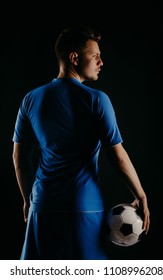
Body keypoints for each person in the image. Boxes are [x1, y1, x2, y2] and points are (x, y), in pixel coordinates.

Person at [12, 25, 150, 260]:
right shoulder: (97, 100)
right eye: (95, 56)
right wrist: (141, 196)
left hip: (43, 205)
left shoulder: (31, 99)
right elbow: (116, 156)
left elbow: (19, 158)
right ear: (74, 57)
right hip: (84, 206)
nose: (101, 62)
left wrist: (28, 198)